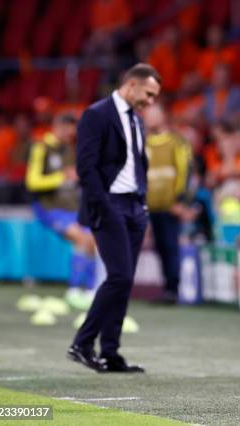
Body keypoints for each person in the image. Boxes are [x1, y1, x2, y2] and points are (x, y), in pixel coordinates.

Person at [67, 63, 161, 373]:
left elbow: (136, 163)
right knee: (119, 276)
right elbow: (86, 168)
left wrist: (141, 202)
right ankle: (82, 342)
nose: (151, 102)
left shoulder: (136, 118)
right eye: (148, 94)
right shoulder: (97, 114)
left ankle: (110, 352)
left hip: (134, 207)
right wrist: (104, 206)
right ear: (131, 85)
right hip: (109, 206)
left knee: (124, 281)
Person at [25, 113, 98, 310]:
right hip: (50, 208)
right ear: (58, 126)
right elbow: (32, 182)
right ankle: (74, 291)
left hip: (72, 207)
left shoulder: (69, 149)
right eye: (69, 131)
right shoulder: (41, 147)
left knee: (92, 240)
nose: (71, 135)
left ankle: (90, 291)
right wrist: (61, 177)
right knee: (81, 239)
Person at [142, 103, 193, 304]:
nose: (149, 118)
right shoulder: (142, 143)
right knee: (160, 247)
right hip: (150, 206)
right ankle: (167, 288)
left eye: (153, 113)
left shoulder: (177, 142)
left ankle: (173, 289)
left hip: (171, 207)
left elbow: (186, 172)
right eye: (147, 114)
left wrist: (181, 201)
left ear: (163, 116)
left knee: (170, 246)